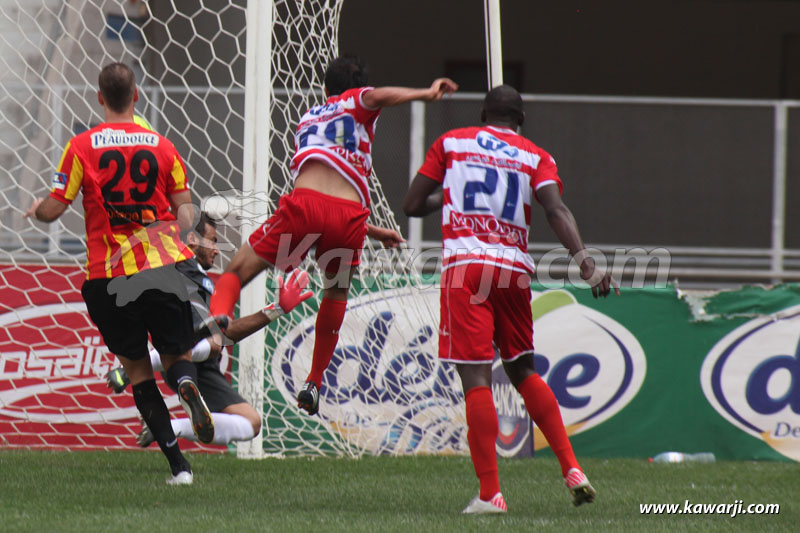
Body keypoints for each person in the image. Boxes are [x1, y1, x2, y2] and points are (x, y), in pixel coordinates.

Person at [403, 84, 619, 514]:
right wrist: (586, 264)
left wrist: (450, 193)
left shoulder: (452, 143)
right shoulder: (535, 155)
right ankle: (572, 468)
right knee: (523, 370)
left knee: (476, 379)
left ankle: (490, 495)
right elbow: (556, 210)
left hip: (467, 268)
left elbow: (412, 204)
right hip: (512, 270)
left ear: (484, 114)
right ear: (520, 120)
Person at [207, 55, 458, 416]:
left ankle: (220, 317)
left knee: (236, 271)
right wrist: (426, 92)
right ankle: (314, 381)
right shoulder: (358, 100)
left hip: (304, 209)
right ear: (360, 88)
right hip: (347, 219)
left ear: (325, 89)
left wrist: (373, 231)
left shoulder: (309, 117)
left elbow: (321, 186)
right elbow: (377, 97)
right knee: (336, 293)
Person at [24, 62, 213, 485]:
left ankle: (179, 468)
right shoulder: (163, 146)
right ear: (137, 96)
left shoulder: (81, 147)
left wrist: (37, 210)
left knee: (138, 372)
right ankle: (186, 384)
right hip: (162, 268)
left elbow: (55, 209)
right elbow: (186, 215)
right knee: (177, 358)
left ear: (99, 98)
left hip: (108, 278)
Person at [104, 212, 311, 447]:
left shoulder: (204, 281)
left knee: (251, 423)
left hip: (204, 366)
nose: (217, 250)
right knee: (213, 341)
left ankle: (167, 427)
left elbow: (227, 333)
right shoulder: (182, 267)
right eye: (213, 241)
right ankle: (134, 368)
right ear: (193, 239)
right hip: (183, 357)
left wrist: (276, 310)